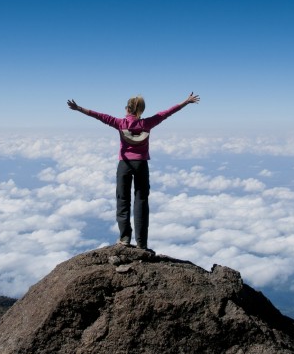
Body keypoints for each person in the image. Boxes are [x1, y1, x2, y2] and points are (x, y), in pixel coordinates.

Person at [67, 92, 200, 250]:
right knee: (141, 202)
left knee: (122, 201)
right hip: (141, 165)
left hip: (124, 165)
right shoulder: (147, 124)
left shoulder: (119, 123)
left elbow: (99, 116)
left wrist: (78, 108)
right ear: (141, 110)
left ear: (127, 109)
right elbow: (167, 113)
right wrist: (186, 102)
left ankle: (125, 238)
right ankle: (142, 243)